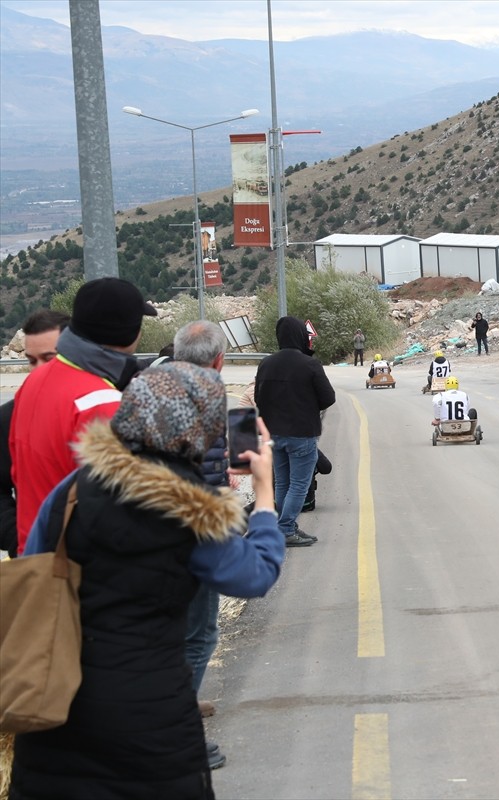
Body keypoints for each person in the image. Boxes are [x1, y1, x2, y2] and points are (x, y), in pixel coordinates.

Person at [10, 362, 285, 800]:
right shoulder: (195, 512)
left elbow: (34, 564)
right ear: (199, 428)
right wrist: (265, 493)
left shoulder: (71, 492)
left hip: (56, 705)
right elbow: (254, 574)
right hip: (151, 717)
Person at [9, 277, 157, 554]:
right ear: (133, 333)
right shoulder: (103, 403)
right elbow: (125, 515)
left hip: (33, 558)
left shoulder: (34, 382)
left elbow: (19, 470)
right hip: (80, 575)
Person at [171, 320, 231, 765]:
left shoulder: (151, 388)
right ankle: (178, 734)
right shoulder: (206, 398)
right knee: (199, 633)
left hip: (149, 532)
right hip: (193, 531)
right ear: (218, 361)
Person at [254, 316, 336, 547]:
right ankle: (286, 529)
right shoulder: (310, 364)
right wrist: (307, 407)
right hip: (301, 432)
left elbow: (259, 397)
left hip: (272, 433)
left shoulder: (266, 363)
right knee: (299, 484)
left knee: (282, 483)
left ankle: (286, 525)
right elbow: (328, 398)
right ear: (302, 335)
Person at [1, 309, 69, 558]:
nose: (38, 369)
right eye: (32, 360)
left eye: (49, 358)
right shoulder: (10, 416)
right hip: (35, 563)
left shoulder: (94, 405)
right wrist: (20, 540)